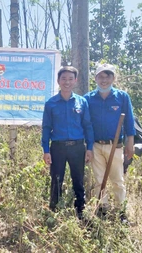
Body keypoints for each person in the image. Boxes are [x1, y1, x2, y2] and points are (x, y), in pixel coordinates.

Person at [84, 63, 136, 222]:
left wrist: (130, 143)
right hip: (95, 146)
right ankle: (103, 209)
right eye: (101, 76)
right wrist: (88, 146)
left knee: (117, 180)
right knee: (100, 179)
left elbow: (129, 121)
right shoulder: (88, 98)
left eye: (108, 76)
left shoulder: (122, 97)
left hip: (116, 146)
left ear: (113, 78)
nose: (104, 80)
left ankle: (122, 212)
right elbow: (85, 123)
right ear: (96, 78)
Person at [42, 66, 94, 219]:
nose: (67, 82)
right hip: (57, 148)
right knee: (56, 180)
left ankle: (81, 212)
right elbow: (46, 128)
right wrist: (46, 150)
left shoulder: (81, 102)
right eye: (64, 78)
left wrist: (89, 148)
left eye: (71, 79)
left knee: (78, 180)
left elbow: (87, 126)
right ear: (58, 81)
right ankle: (54, 212)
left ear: (75, 81)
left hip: (77, 147)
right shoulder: (50, 104)